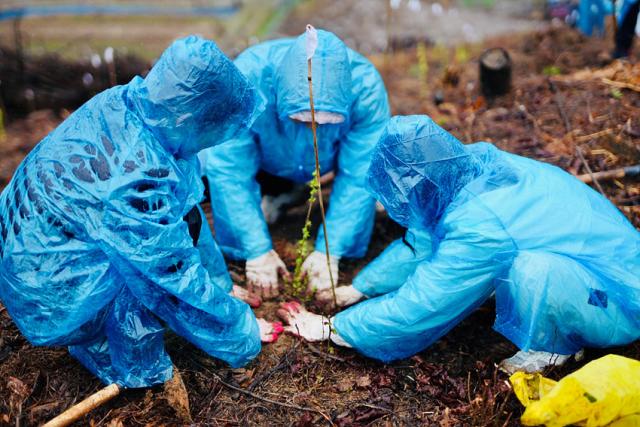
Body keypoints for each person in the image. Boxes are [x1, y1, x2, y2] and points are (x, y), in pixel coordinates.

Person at [0, 36, 282, 389]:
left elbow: (187, 206)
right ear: (195, 118)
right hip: (49, 296)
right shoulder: (138, 178)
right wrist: (241, 332)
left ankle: (106, 331)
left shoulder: (126, 106)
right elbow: (170, 276)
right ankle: (131, 366)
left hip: (30, 252)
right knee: (143, 282)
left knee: (170, 234)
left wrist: (220, 286)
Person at [278, 115, 640, 373]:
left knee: (530, 269)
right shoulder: (467, 170)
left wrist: (335, 328)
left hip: (618, 301)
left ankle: (551, 348)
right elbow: (421, 245)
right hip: (600, 270)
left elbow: (425, 302)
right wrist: (359, 288)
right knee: (515, 260)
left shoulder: (480, 225)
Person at [199, 29, 390, 299]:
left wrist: (330, 250)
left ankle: (297, 193)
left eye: (322, 123)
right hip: (266, 162)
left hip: (323, 165)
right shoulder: (248, 78)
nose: (312, 130)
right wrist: (255, 250)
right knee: (206, 169)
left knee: (372, 178)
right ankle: (280, 192)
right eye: (301, 120)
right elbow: (230, 168)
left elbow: (359, 173)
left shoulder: (365, 87)